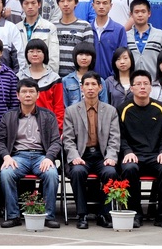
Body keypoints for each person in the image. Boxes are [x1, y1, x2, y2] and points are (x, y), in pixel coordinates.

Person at [0, 78, 61, 229]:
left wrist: (49, 158)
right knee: (6, 174)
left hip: (41, 156)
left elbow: (56, 141)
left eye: (31, 91)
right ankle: (13, 216)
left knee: (52, 174)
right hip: (18, 157)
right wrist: (7, 157)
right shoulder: (9, 116)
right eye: (24, 92)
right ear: (17, 95)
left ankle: (48, 216)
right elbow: (0, 141)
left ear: (38, 95)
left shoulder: (48, 116)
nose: (27, 95)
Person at [118, 69, 162, 229]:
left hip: (155, 155)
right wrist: (127, 151)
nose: (142, 87)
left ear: (151, 87)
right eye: (138, 84)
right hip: (133, 155)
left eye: (146, 84)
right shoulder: (122, 109)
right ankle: (134, 214)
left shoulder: (161, 108)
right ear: (132, 88)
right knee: (129, 168)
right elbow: (119, 137)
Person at [63, 72, 120, 229]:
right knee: (77, 172)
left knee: (110, 172)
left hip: (102, 155)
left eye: (94, 84)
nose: (90, 88)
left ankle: (104, 214)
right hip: (82, 155)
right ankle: (82, 214)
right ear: (81, 88)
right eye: (87, 84)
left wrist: (111, 156)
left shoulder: (110, 111)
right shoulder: (71, 111)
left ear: (100, 87)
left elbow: (115, 138)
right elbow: (68, 139)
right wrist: (74, 156)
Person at [18, 38, 64, 127]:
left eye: (39, 51)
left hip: (48, 125)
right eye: (31, 51)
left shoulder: (54, 78)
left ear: (45, 54)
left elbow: (59, 108)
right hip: (23, 126)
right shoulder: (19, 77)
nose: (35, 54)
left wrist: (58, 129)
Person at [16, 0, 59, 73]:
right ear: (21, 6)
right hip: (21, 76)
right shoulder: (16, 28)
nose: (30, 7)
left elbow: (54, 58)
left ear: (39, 4)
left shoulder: (49, 27)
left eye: (33, 3)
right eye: (26, 3)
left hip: (44, 75)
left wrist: (48, 77)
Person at [54, 0, 94, 77]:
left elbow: (88, 54)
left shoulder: (85, 26)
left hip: (76, 77)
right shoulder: (53, 26)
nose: (65, 4)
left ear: (76, 3)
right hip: (56, 77)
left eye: (69, 0)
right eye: (62, 1)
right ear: (58, 4)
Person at [127, 0, 162, 78]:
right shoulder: (126, 36)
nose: (140, 15)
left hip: (155, 81)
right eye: (136, 12)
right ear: (131, 14)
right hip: (132, 82)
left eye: (143, 12)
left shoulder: (160, 35)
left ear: (149, 13)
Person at [91, 0, 127, 80]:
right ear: (93, 5)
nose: (101, 6)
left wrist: (113, 78)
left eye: (105, 3)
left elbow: (122, 56)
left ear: (111, 6)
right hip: (90, 81)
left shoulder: (119, 30)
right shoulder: (87, 29)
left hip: (113, 81)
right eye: (98, 3)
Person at [63, 42, 108, 110]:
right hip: (73, 115)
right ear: (75, 57)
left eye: (87, 55)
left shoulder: (100, 80)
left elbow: (104, 106)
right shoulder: (66, 81)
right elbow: (64, 107)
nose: (84, 58)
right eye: (81, 54)